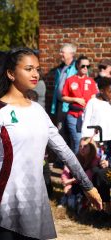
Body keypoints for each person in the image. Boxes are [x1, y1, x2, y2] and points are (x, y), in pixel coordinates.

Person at [0, 47, 102, 240]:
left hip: (35, 205)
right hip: (3, 206)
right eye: (29, 68)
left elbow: (64, 151)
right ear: (10, 73)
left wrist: (87, 185)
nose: (35, 74)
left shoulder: (38, 111)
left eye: (37, 69)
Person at [82, 77, 111, 212]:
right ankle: (97, 204)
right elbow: (86, 121)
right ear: (102, 90)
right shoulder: (93, 102)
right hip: (96, 142)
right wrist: (86, 139)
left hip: (109, 144)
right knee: (94, 171)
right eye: (109, 91)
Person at [62, 55, 97, 154]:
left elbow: (93, 99)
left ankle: (82, 166)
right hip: (74, 115)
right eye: (83, 66)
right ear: (77, 66)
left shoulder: (91, 81)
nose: (85, 68)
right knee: (77, 141)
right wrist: (75, 99)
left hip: (87, 117)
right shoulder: (70, 80)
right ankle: (77, 167)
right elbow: (63, 97)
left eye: (87, 66)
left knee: (87, 143)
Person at [60, 137, 99, 210]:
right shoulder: (75, 158)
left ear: (91, 148)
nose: (82, 148)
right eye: (80, 146)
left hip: (89, 187)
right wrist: (69, 182)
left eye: (85, 146)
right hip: (76, 184)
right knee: (67, 189)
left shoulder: (96, 160)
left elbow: (86, 178)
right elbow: (64, 177)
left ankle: (82, 202)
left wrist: (70, 181)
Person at [51, 43, 77, 143]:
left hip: (71, 105)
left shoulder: (76, 68)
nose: (60, 53)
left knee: (70, 132)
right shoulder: (60, 68)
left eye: (63, 52)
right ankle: (62, 158)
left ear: (71, 54)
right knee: (60, 131)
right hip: (60, 104)